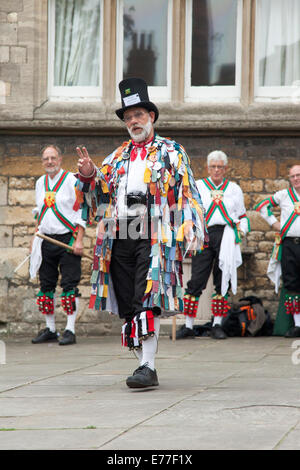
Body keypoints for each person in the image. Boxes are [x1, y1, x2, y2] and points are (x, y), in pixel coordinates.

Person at [75, 77, 207, 389]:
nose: (133, 121)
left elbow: (187, 193)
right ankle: (142, 364)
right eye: (128, 117)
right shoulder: (116, 157)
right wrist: (89, 174)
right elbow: (99, 195)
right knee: (127, 299)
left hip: (154, 230)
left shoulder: (172, 152)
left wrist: (188, 223)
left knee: (147, 293)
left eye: (139, 115)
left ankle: (148, 365)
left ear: (152, 117)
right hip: (120, 231)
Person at [175, 150, 250, 340]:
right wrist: (188, 231)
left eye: (220, 167)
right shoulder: (198, 186)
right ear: (208, 168)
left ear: (225, 169)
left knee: (221, 279)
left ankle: (217, 325)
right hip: (204, 235)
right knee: (196, 279)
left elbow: (242, 216)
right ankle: (189, 326)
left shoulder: (234, 189)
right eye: (213, 166)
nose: (216, 170)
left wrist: (240, 233)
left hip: (225, 235)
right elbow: (189, 211)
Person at [30, 144, 86, 345]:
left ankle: (70, 329)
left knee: (69, 284)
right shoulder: (40, 183)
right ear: (42, 161)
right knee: (46, 285)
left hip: (67, 239)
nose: (50, 162)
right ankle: (51, 329)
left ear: (60, 159)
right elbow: (40, 212)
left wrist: (79, 239)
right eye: (46, 158)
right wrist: (34, 239)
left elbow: (81, 212)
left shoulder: (72, 181)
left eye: (53, 158)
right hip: (46, 239)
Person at [254, 164, 300, 338]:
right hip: (289, 244)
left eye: (299, 175)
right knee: (292, 283)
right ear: (290, 179)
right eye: (293, 176)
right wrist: (275, 224)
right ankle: (297, 324)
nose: (296, 178)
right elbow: (261, 206)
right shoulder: (283, 195)